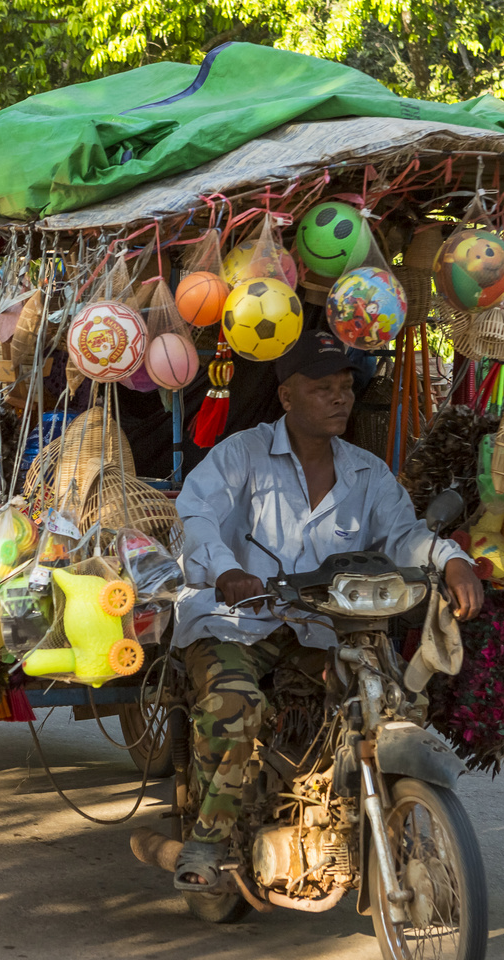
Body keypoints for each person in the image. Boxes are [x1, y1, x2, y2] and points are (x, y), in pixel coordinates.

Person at [170, 331, 484, 891]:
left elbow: (406, 536)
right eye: (322, 389)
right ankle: (208, 836)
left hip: (322, 627)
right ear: (287, 397)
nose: (340, 399)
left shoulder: (367, 473)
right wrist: (225, 572)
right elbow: (195, 516)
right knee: (235, 704)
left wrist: (451, 559)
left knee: (391, 702)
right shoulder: (241, 455)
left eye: (345, 388)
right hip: (237, 622)